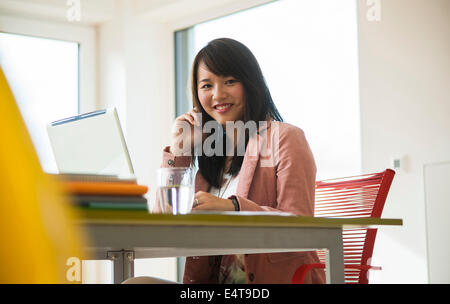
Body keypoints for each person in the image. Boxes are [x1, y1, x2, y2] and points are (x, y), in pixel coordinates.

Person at [127, 38, 325, 284]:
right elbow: (163, 221)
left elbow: (301, 227)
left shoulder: (285, 137)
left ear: (250, 83)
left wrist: (233, 207)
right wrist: (180, 150)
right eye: (207, 85)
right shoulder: (211, 155)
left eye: (229, 81)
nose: (218, 95)